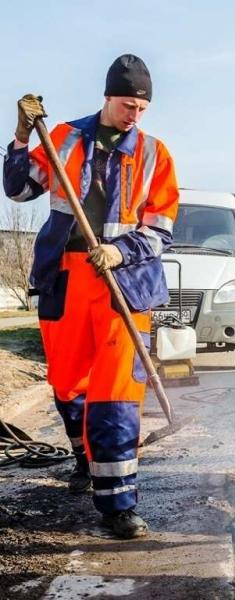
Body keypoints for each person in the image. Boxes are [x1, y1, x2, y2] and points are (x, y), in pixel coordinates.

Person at [3, 54, 179, 539]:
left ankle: (118, 505)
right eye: (128, 104)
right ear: (107, 97)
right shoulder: (61, 137)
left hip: (125, 284)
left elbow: (161, 227)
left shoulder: (154, 153)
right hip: (66, 279)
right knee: (68, 380)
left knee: (117, 389)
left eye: (142, 106)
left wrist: (120, 253)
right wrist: (21, 137)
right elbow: (17, 192)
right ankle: (87, 454)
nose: (135, 114)